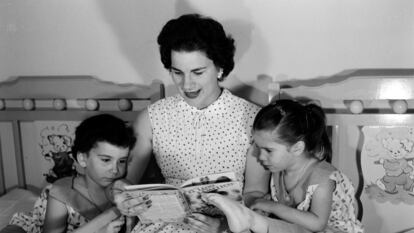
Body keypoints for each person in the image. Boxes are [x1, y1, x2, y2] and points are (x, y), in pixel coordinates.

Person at [113, 13, 266, 233]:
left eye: (198, 72)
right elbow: (126, 181)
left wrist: (224, 226)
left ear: (220, 67)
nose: (187, 84)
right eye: (177, 72)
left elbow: (256, 194)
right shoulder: (152, 118)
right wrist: (122, 196)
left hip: (230, 226)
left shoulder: (252, 119)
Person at [203, 99, 364, 233]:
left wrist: (272, 206)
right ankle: (248, 221)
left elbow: (317, 224)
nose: (260, 156)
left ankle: (251, 221)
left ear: (297, 148)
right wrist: (264, 206)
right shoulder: (279, 170)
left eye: (268, 150)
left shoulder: (323, 179)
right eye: (258, 148)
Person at [7, 114, 137, 233]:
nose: (115, 170)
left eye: (122, 161)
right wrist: (104, 222)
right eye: (106, 160)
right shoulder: (62, 191)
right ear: (82, 159)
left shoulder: (122, 190)